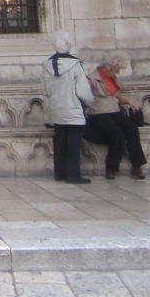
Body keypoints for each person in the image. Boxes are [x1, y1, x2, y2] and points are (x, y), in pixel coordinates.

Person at [40, 31, 94, 184]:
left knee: (60, 140)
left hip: (57, 108)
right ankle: (73, 174)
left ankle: (60, 173)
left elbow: (45, 90)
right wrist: (90, 102)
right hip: (74, 108)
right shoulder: (75, 65)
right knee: (74, 143)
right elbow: (83, 90)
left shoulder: (46, 65)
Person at [86, 52, 148, 180]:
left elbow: (112, 97)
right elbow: (87, 96)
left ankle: (137, 166)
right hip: (98, 112)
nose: (118, 72)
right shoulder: (91, 79)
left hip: (114, 110)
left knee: (132, 128)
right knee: (117, 134)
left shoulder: (111, 77)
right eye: (116, 69)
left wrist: (127, 101)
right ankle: (111, 168)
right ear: (109, 68)